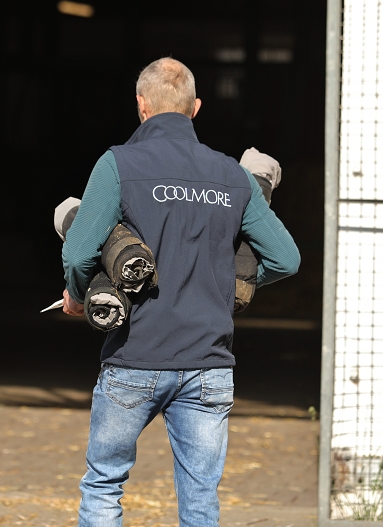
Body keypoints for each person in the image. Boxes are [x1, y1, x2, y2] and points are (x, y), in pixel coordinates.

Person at [60, 57, 300, 527]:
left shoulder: (118, 164)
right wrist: (225, 285)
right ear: (196, 107)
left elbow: (78, 253)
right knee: (200, 497)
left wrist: (80, 294)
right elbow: (285, 259)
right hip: (208, 366)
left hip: (135, 357)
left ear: (141, 105)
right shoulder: (233, 176)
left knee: (105, 483)